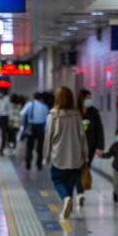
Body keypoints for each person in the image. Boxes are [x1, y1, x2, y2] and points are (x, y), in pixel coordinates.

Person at [43, 86, 88, 221]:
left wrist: (46, 156)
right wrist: (85, 155)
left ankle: (65, 198)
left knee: (57, 179)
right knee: (70, 181)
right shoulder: (76, 115)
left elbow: (48, 137)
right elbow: (82, 136)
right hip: (75, 156)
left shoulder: (53, 115)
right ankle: (67, 204)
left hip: (59, 155)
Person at [74, 89, 105, 208]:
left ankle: (81, 190)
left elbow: (99, 130)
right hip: (76, 146)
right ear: (81, 99)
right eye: (87, 98)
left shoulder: (94, 113)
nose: (89, 100)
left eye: (90, 98)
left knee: (85, 168)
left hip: (90, 146)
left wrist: (100, 147)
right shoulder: (74, 113)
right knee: (77, 168)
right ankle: (80, 192)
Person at [19, 92, 50, 170]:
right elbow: (48, 118)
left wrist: (24, 123)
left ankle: (28, 163)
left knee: (29, 146)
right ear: (41, 98)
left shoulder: (30, 104)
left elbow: (22, 113)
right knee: (40, 147)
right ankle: (39, 164)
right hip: (41, 127)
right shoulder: (45, 106)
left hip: (31, 127)